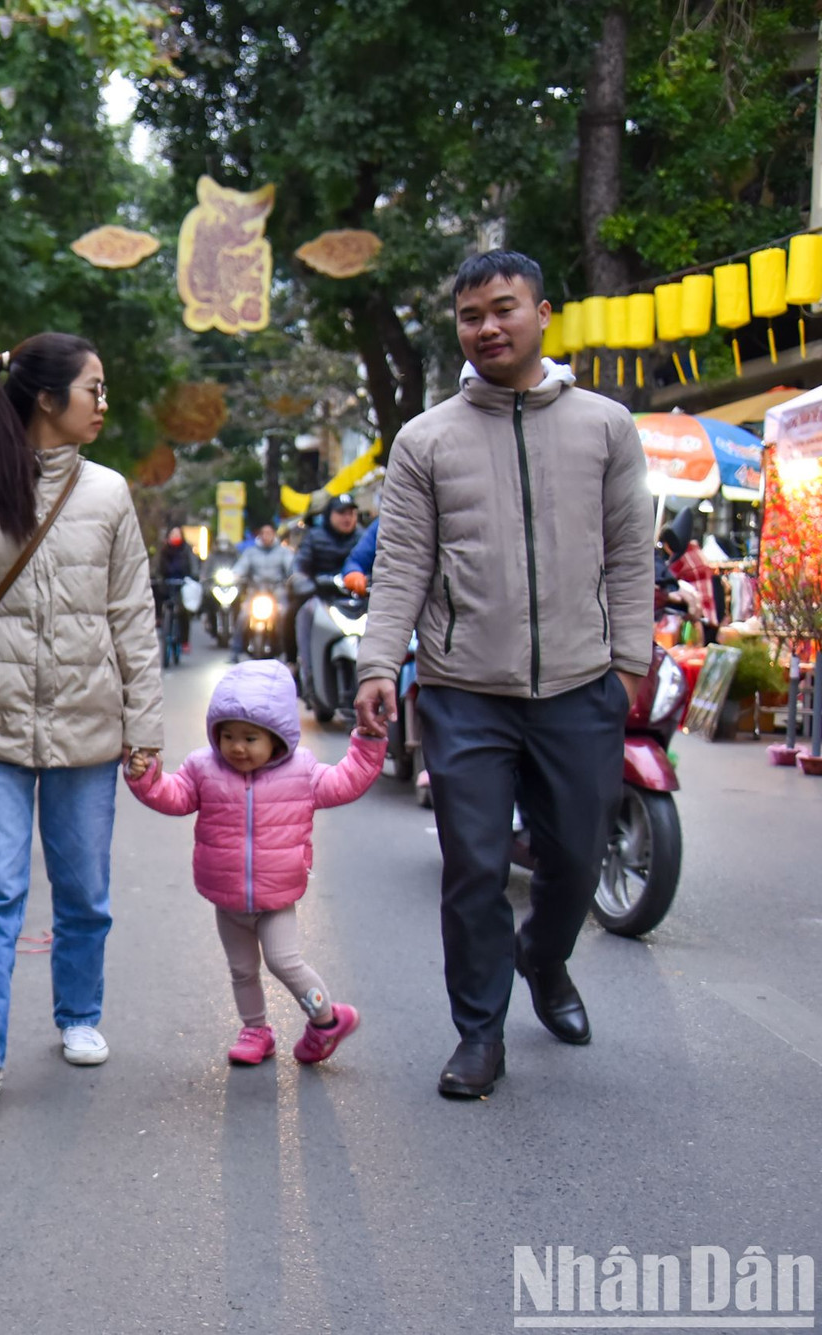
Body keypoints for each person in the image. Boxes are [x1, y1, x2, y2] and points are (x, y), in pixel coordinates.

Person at [354, 250, 652, 1100]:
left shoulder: (605, 426)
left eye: (503, 309)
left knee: (578, 854)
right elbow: (403, 561)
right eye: (470, 315)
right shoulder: (426, 439)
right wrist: (381, 661)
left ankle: (544, 959)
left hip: (580, 682)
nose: (487, 327)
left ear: (543, 313)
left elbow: (632, 553)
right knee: (474, 867)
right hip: (462, 688)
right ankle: (479, 1033)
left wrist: (629, 658)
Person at [0, 333, 165, 1112]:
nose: (103, 402)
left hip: (90, 726)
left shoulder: (109, 493)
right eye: (94, 388)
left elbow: (132, 614)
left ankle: (79, 1014)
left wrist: (144, 722)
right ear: (48, 399)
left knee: (84, 888)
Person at [125, 661, 385, 1064]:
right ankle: (255, 1029)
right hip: (226, 896)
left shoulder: (302, 771)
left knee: (283, 959)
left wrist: (366, 747)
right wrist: (147, 778)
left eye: (250, 737)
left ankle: (326, 1020)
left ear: (277, 737)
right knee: (242, 969)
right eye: (227, 736)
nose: (237, 747)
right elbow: (173, 796)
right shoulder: (202, 767)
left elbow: (344, 782)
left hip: (277, 896)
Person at [293, 496, 365, 693]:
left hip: (357, 602)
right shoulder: (314, 537)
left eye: (351, 513)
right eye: (341, 513)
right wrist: (305, 583)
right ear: (329, 515)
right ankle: (303, 671)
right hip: (322, 600)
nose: (347, 518)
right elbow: (298, 569)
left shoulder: (363, 538)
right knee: (296, 613)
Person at [228, 523, 295, 662]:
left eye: (269, 533)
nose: (266, 536)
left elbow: (291, 567)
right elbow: (241, 567)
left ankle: (287, 652)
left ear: (274, 534)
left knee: (284, 615)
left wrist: (294, 577)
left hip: (277, 591)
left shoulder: (283, 552)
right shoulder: (250, 552)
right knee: (243, 616)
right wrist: (234, 576)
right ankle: (235, 651)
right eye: (263, 533)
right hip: (255, 591)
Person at [158, 527, 200, 650]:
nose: (175, 536)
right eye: (173, 534)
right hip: (167, 583)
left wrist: (193, 576)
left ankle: (184, 641)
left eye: (177, 534)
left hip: (183, 583)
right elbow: (158, 567)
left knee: (183, 612)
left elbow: (193, 565)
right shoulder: (164, 550)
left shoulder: (187, 549)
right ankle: (160, 620)